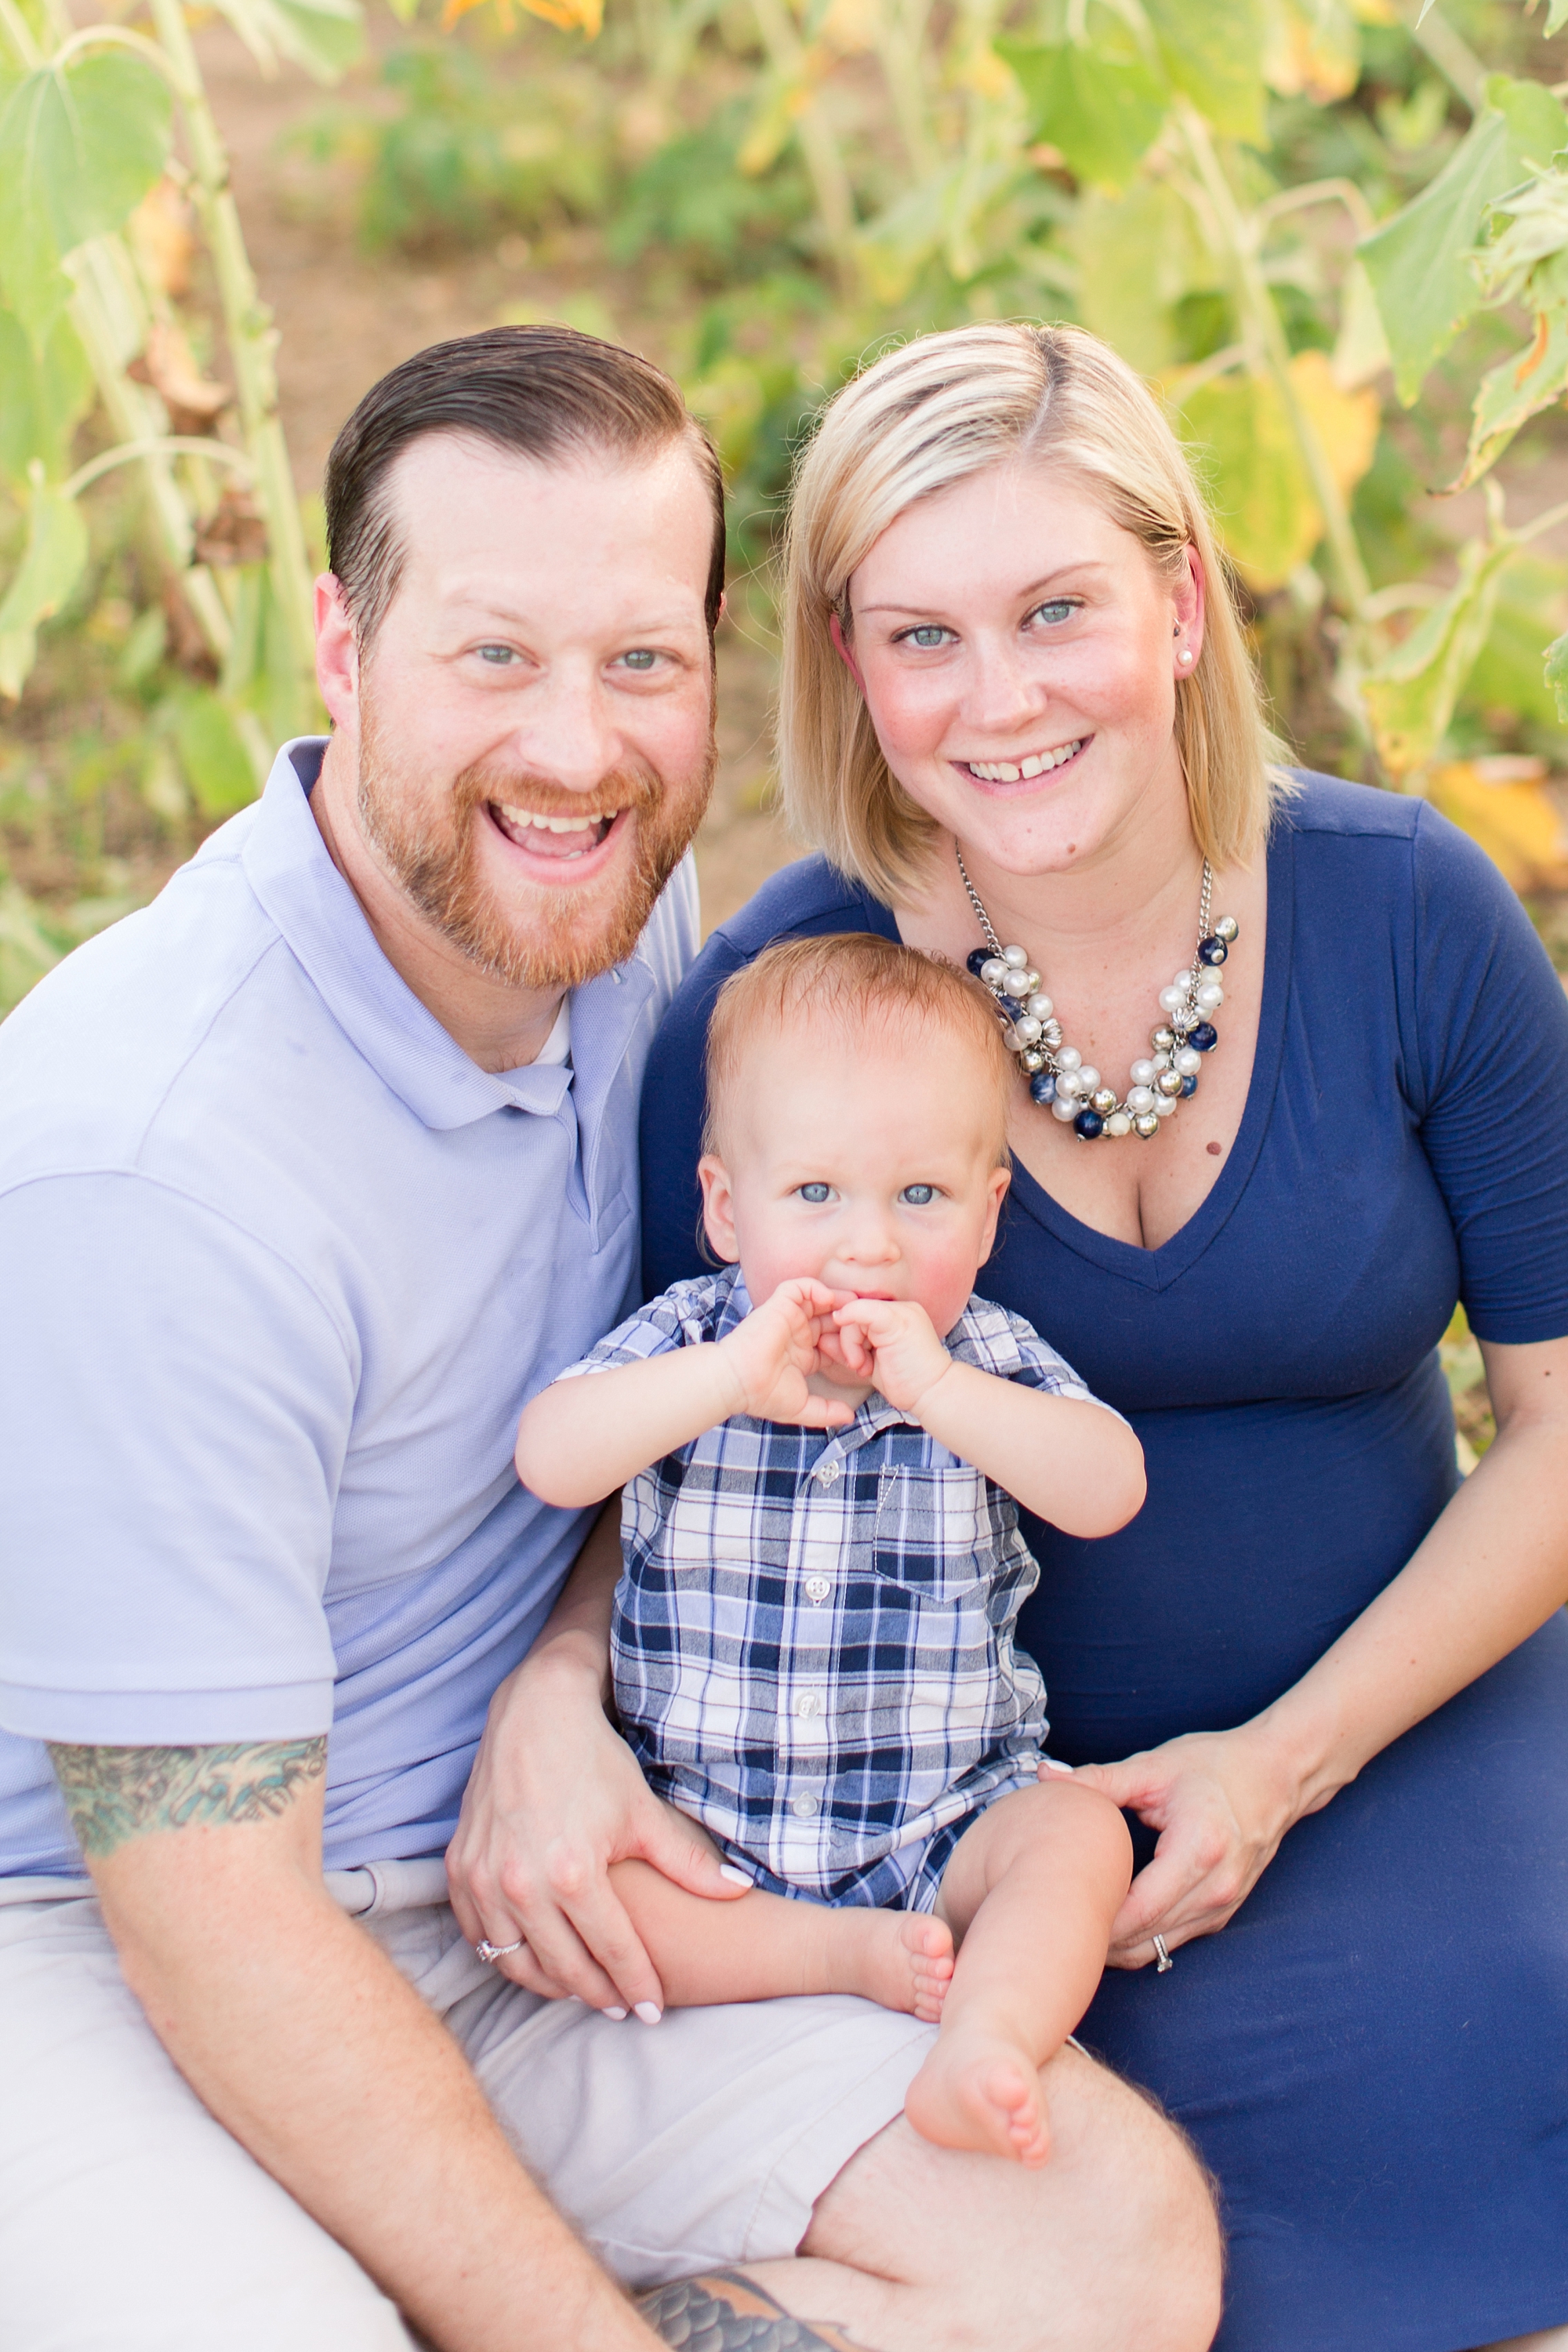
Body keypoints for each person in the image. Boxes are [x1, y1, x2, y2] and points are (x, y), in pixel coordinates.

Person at [0, 324, 1223, 2352]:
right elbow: (205, 1910)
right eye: (494, 656)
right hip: (103, 1959)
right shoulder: (147, 1170)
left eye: (643, 663)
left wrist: (557, 1678)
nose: (575, 750)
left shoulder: (603, 923)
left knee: (1102, 2242)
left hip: (544, 1900)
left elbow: (650, 1387)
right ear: (340, 644)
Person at [626, 323, 1568, 2352]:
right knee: (1074, 2195)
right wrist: (544, 1708)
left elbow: (1567, 1440)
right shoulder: (790, 996)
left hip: (1404, 1712)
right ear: (853, 673)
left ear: (1182, 600)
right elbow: (630, 1452)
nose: (1002, 698)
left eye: (1058, 610)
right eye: (923, 637)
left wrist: (1283, 1764)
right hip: (982, 1816)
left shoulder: (1413, 920)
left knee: (1497, 2080)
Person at [515, 934, 1144, 2169]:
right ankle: (832, 1962)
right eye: (816, 1197)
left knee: (1078, 1844)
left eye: (921, 1197)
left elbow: (1107, 1488)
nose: (869, 1247)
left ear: (989, 1211)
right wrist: (719, 1382)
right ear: (723, 1207)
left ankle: (990, 2038)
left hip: (944, 1821)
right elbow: (552, 1456)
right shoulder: (693, 1338)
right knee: (600, 1893)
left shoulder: (980, 1359)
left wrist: (943, 1391)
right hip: (700, 1828)